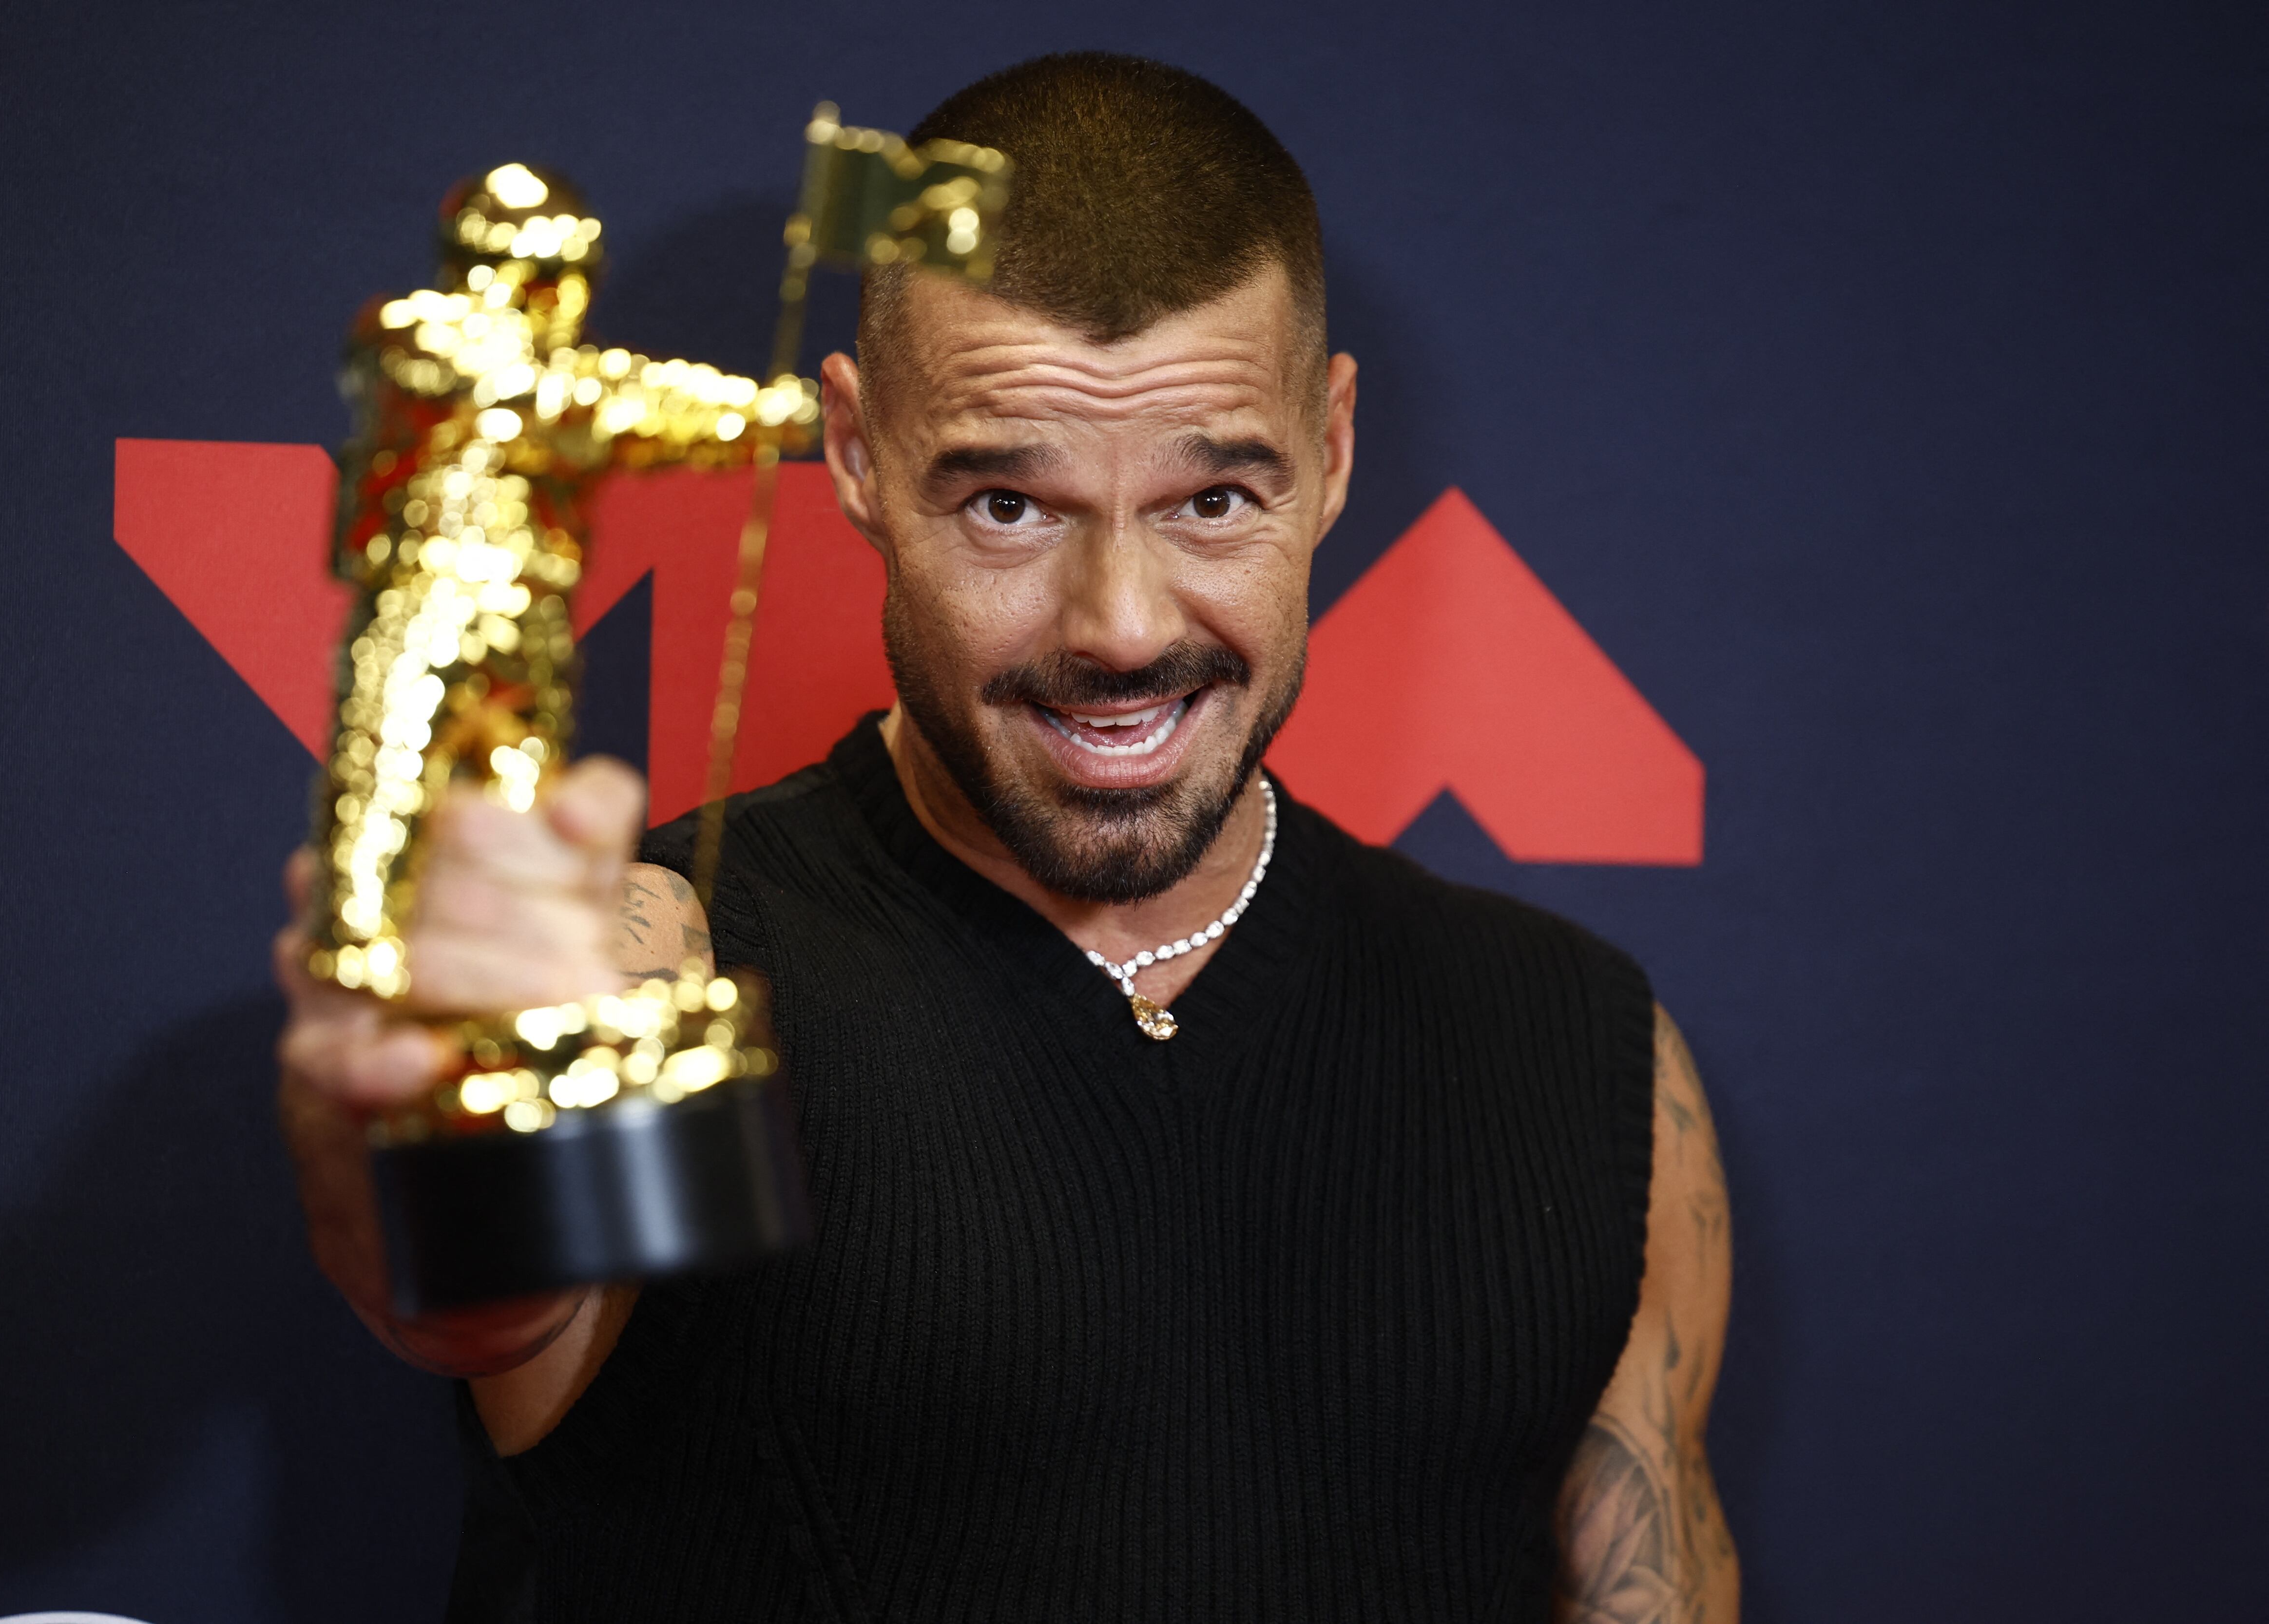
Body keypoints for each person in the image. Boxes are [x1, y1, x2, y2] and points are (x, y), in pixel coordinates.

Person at [276, 52, 1737, 1622]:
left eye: (1213, 502)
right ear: (854, 453)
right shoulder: (661, 977)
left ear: (1332, 448)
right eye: (1009, 509)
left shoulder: (1581, 1047)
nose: (1119, 628)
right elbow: (472, 1305)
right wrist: (398, 1113)